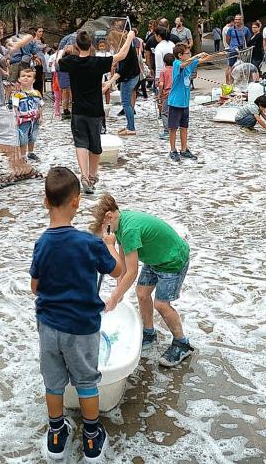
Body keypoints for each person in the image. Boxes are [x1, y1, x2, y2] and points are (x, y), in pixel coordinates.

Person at [31, 167, 123, 462]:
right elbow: (118, 271)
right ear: (77, 203)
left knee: (53, 383)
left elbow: (35, 287)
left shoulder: (42, 243)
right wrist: (110, 246)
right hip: (82, 328)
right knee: (86, 382)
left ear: (45, 202)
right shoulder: (89, 242)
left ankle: (57, 434)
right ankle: (92, 437)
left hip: (48, 326)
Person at [92, 194, 195, 367]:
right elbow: (123, 266)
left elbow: (132, 272)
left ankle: (182, 343)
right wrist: (119, 292)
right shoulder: (121, 225)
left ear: (109, 216)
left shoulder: (130, 230)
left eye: (104, 229)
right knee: (141, 293)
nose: (105, 234)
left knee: (161, 304)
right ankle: (149, 333)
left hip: (172, 260)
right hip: (156, 259)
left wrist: (115, 297)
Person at [58, 28, 135, 194]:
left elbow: (58, 62)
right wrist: (129, 38)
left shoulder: (71, 61)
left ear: (77, 46)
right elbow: (121, 55)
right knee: (95, 145)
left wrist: (62, 51)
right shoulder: (97, 62)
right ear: (91, 45)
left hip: (78, 110)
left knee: (80, 143)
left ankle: (84, 176)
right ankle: (92, 176)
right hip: (95, 111)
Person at [167, 44, 219, 162]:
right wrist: (196, 56)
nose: (189, 55)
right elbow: (185, 64)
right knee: (173, 128)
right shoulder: (176, 64)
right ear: (180, 55)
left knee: (184, 127)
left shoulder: (190, 64)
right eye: (187, 53)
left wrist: (218, 55)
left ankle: (184, 149)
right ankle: (173, 150)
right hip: (175, 103)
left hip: (185, 103)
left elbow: (203, 60)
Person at [14, 67, 42, 162]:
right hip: (23, 120)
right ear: (19, 79)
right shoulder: (17, 94)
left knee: (33, 136)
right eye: (23, 76)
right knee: (23, 138)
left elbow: (40, 105)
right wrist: (16, 117)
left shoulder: (37, 93)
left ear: (33, 80)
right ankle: (22, 155)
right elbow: (15, 107)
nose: (26, 78)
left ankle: (31, 152)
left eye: (29, 76)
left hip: (35, 119)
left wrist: (41, 116)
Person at [225, 14, 251, 85]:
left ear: (242, 20)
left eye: (239, 19)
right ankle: (229, 83)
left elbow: (248, 39)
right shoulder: (230, 29)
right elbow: (227, 39)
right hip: (233, 50)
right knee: (230, 66)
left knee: (243, 66)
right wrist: (232, 46)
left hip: (242, 51)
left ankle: (242, 82)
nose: (237, 21)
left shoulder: (245, 29)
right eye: (236, 19)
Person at [155, 53, 174, 140]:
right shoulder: (175, 70)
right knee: (172, 112)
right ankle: (173, 129)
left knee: (164, 113)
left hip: (166, 94)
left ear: (164, 62)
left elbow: (161, 84)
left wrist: (159, 95)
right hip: (175, 94)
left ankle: (167, 131)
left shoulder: (163, 71)